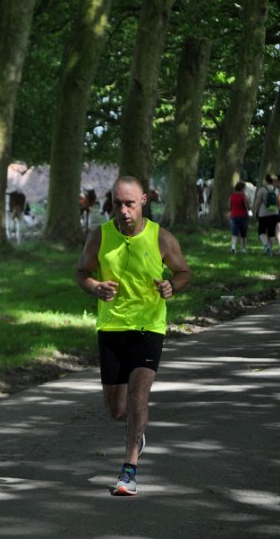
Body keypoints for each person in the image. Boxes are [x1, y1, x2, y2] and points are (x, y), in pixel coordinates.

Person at [75, 176, 191, 496]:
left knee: (138, 396)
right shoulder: (99, 236)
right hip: (111, 327)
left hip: (148, 327)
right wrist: (95, 287)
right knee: (117, 410)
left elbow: (183, 272)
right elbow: (82, 272)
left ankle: (129, 468)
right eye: (117, 204)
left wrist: (172, 285)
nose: (123, 211)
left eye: (129, 204)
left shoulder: (160, 237)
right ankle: (137, 432)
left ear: (143, 201)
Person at [254, 173, 280, 256]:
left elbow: (258, 202)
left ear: (266, 180)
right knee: (271, 232)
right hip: (274, 213)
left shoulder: (262, 189)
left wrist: (256, 211)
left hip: (263, 213)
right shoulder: (276, 190)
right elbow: (278, 202)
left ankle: (266, 246)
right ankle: (270, 250)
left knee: (261, 231)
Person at [228, 181, 250, 254]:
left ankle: (233, 247)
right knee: (243, 234)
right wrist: (249, 206)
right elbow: (247, 206)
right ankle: (243, 249)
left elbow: (229, 206)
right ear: (242, 188)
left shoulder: (231, 196)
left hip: (233, 216)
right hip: (243, 216)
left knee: (234, 233)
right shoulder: (244, 196)